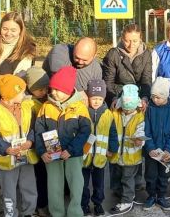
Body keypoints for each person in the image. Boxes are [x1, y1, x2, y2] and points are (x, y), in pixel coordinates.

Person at [34, 66, 92, 217]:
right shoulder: (46, 107)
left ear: (68, 90)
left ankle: (75, 212)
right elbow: (38, 131)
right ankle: (57, 213)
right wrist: (41, 151)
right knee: (54, 185)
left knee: (76, 184)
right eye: (52, 89)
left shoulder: (80, 107)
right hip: (52, 152)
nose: (53, 93)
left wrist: (71, 150)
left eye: (58, 90)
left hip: (74, 154)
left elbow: (85, 131)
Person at [101, 23, 152, 191]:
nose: (131, 45)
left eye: (135, 41)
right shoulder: (113, 54)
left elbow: (146, 80)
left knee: (135, 141)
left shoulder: (146, 54)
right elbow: (108, 81)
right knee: (117, 140)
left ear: (141, 39)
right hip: (119, 102)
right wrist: (115, 98)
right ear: (122, 39)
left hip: (136, 104)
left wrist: (144, 97)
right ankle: (116, 185)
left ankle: (136, 181)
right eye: (128, 41)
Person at [0, 74, 38, 217]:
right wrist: (6, 148)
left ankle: (29, 212)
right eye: (21, 92)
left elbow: (34, 127)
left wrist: (30, 141)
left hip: (26, 157)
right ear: (11, 94)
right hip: (7, 160)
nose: (24, 94)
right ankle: (10, 214)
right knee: (8, 190)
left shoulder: (27, 107)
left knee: (29, 187)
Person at [0, 12, 37, 107]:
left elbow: (15, 83)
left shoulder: (27, 50)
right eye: (5, 29)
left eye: (13, 30)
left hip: (7, 101)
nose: (8, 33)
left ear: (20, 30)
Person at [143, 78, 170, 211]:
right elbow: (145, 130)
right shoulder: (149, 109)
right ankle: (151, 196)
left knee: (164, 174)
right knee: (150, 174)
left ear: (165, 96)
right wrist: (150, 148)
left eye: (158, 97)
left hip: (166, 151)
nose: (155, 100)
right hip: (152, 151)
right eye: (153, 97)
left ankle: (161, 196)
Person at [109, 84, 144, 213]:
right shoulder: (115, 113)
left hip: (131, 155)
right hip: (117, 154)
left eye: (130, 109)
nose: (126, 111)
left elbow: (141, 131)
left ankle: (127, 200)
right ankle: (120, 192)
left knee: (127, 178)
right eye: (124, 108)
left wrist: (139, 140)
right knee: (117, 175)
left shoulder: (140, 117)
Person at [81, 79, 115, 216]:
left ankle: (98, 204)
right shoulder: (82, 112)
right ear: (88, 98)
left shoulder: (108, 115)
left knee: (99, 185)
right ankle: (84, 205)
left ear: (104, 98)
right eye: (93, 98)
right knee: (83, 185)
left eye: (99, 99)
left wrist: (112, 148)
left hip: (100, 157)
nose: (96, 101)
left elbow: (113, 133)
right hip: (84, 157)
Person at [22, 67, 50, 217]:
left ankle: (43, 204)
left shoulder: (44, 100)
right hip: (33, 146)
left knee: (43, 177)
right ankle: (39, 206)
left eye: (46, 88)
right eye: (40, 89)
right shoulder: (28, 104)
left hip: (45, 145)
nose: (44, 92)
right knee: (36, 179)